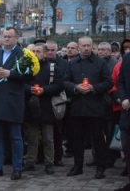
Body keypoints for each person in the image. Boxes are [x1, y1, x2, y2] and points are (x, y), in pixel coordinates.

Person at [0, 27, 33, 180]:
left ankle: (17, 168)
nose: (6, 39)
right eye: (4, 36)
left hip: (13, 100)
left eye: (10, 37)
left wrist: (10, 74)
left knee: (15, 136)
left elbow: (29, 74)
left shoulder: (23, 54)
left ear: (17, 38)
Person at [63, 36, 113, 179]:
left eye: (88, 46)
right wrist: (75, 87)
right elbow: (65, 82)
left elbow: (108, 82)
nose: (86, 48)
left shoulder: (100, 63)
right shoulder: (72, 63)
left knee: (97, 138)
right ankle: (77, 166)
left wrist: (94, 88)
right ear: (78, 47)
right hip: (77, 106)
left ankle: (100, 167)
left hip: (95, 106)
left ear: (92, 47)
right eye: (83, 46)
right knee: (77, 138)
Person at [22, 43, 63, 175]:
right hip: (31, 107)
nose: (35, 54)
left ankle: (49, 163)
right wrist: (30, 89)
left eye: (38, 51)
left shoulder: (52, 68)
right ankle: (30, 161)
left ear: (45, 54)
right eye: (33, 51)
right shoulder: (27, 68)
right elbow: (21, 85)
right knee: (32, 137)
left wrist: (44, 90)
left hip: (47, 107)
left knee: (48, 138)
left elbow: (59, 86)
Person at [45, 40, 68, 166]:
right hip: (44, 100)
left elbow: (64, 80)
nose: (50, 52)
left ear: (56, 50)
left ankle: (58, 156)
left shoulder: (63, 63)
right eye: (48, 50)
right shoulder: (42, 63)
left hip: (57, 100)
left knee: (58, 131)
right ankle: (42, 156)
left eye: (52, 50)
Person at [116, 41, 130, 191]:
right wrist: (124, 97)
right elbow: (120, 82)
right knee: (127, 148)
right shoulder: (127, 58)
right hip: (127, 113)